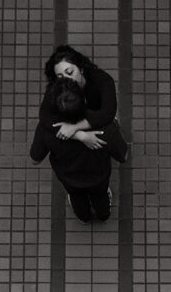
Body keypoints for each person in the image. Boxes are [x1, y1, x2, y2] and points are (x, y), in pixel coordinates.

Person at [31, 78, 128, 223]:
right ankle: (103, 215)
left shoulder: (46, 129)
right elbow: (123, 156)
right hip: (98, 177)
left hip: (68, 178)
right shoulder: (105, 128)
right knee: (100, 196)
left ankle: (84, 217)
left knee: (76, 198)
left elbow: (35, 159)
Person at [40, 45, 117, 151]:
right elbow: (45, 117)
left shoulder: (102, 80)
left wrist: (75, 128)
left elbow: (108, 113)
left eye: (69, 72)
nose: (67, 79)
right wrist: (80, 136)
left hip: (94, 118)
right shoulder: (57, 86)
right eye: (60, 76)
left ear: (81, 68)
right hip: (69, 119)